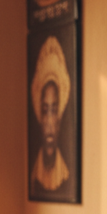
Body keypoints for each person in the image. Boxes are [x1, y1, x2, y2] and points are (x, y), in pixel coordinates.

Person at [29, 35, 74, 200]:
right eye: (45, 110)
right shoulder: (34, 177)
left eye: (53, 110)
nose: (49, 123)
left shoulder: (66, 176)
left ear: (60, 117)